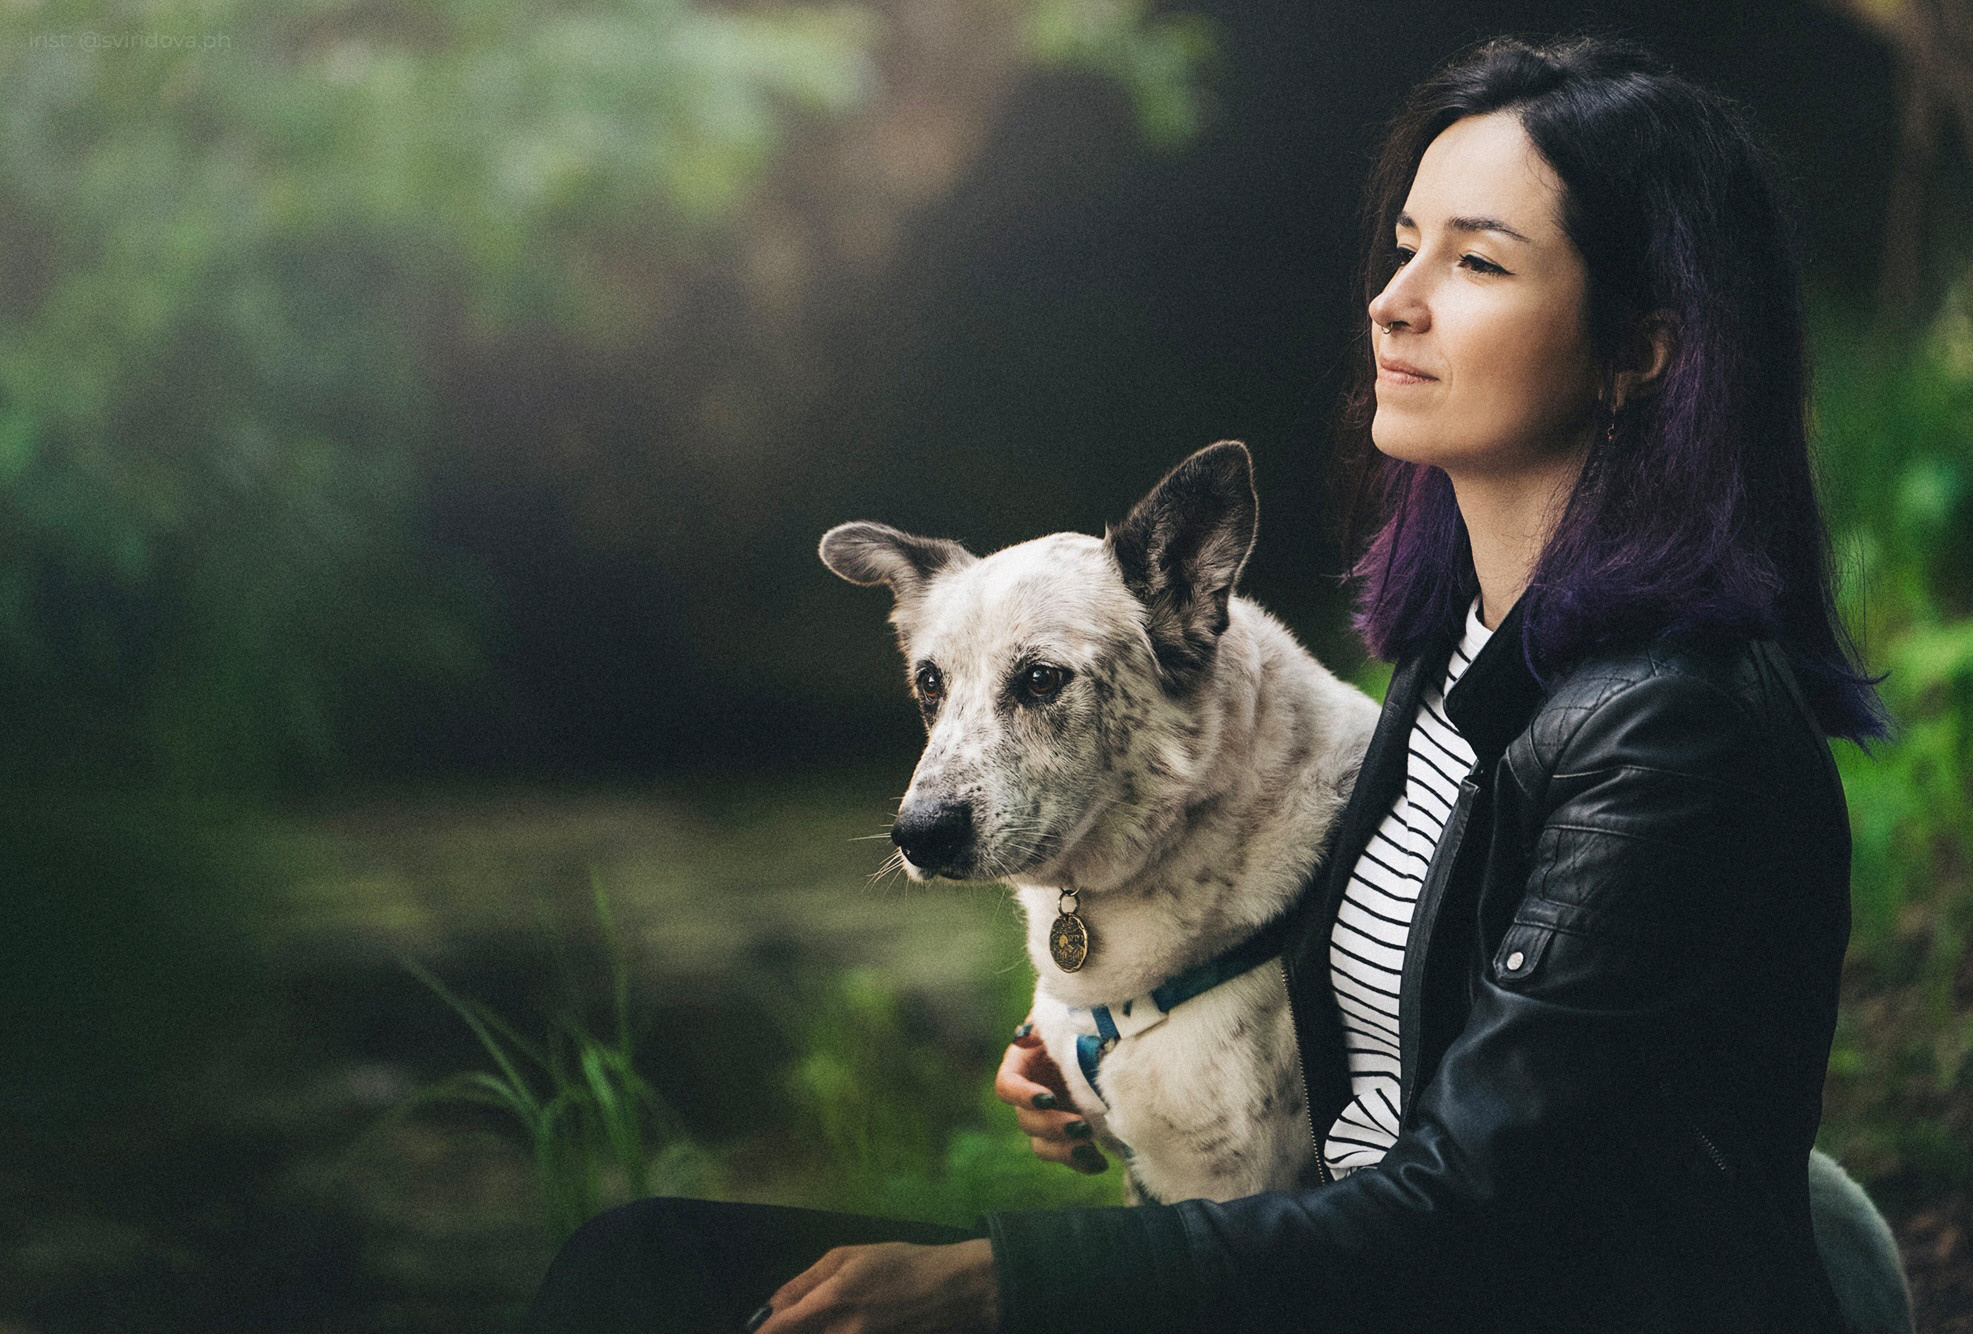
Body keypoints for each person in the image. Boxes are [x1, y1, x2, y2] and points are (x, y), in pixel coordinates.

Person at [525, 33, 1886, 1333]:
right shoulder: (1462, 652)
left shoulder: (1670, 735)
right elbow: (1400, 1011)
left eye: (1476, 261)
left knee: (658, 1286)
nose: (1393, 300)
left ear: (1642, 349)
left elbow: (1483, 1217)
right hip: (1332, 1274)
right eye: (1405, 245)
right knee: (644, 1261)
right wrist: (1108, 1040)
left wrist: (1008, 1286)